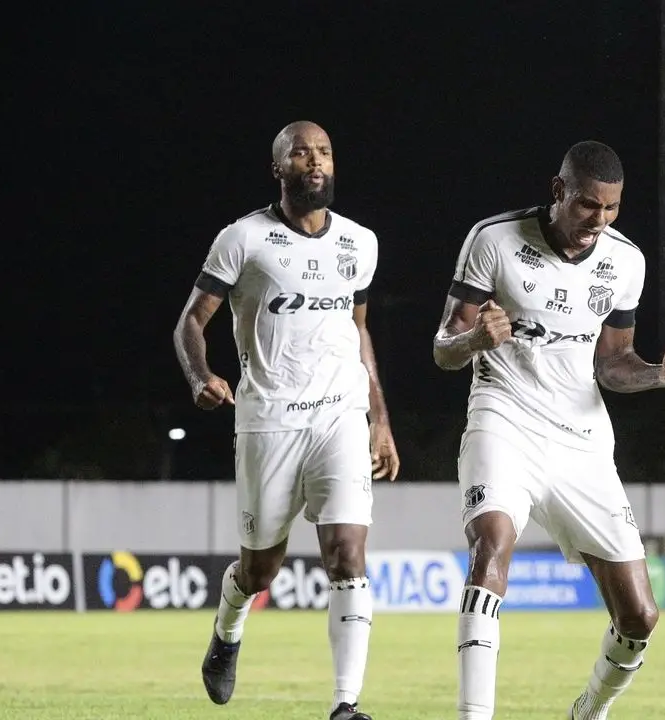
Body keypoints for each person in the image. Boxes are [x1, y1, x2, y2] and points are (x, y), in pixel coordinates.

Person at [432, 140, 665, 720]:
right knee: (491, 547)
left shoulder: (626, 261)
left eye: (611, 210)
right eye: (586, 207)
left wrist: (655, 374)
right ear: (558, 191)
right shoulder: (494, 240)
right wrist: (476, 339)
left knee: (640, 617)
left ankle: (588, 710)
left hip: (582, 441)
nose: (597, 222)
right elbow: (443, 348)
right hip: (503, 418)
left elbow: (612, 364)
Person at [172, 121, 399, 720]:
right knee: (260, 569)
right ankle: (228, 627)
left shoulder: (361, 243)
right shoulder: (242, 239)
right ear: (280, 168)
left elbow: (359, 331)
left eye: (324, 151)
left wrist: (379, 418)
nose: (315, 161)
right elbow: (191, 321)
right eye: (301, 154)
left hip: (339, 418)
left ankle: (346, 706)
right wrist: (201, 377)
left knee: (348, 554)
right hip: (269, 420)